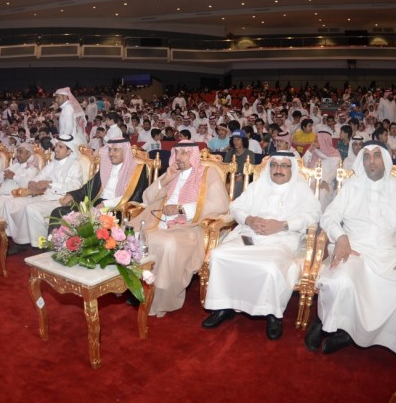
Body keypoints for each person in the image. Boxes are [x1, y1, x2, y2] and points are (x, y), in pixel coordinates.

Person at [306, 141, 396, 355]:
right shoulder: (351, 187)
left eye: (376, 155)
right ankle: (322, 321)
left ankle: (350, 333)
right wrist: (341, 237)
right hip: (354, 250)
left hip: (388, 255)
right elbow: (329, 216)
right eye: (367, 156)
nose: (371, 161)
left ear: (386, 160)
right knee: (340, 280)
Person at [202, 152, 321, 340]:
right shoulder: (258, 185)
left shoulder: (301, 189)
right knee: (220, 255)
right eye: (274, 165)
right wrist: (249, 219)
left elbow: (313, 216)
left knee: (271, 267)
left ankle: (273, 314)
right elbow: (235, 207)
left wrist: (283, 225)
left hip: (281, 238)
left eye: (284, 165)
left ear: (292, 169)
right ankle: (224, 306)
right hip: (250, 235)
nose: (278, 169)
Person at [136, 141, 229, 317]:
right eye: (177, 152)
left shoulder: (207, 173)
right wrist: (166, 179)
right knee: (135, 234)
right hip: (159, 220)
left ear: (193, 155)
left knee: (167, 243)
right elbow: (147, 198)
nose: (179, 157)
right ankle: (139, 289)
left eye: (184, 153)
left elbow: (220, 204)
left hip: (190, 225)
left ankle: (161, 296)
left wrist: (181, 209)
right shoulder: (173, 172)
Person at [0, 135, 83, 246]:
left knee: (31, 209)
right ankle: (18, 240)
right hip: (45, 197)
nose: (56, 149)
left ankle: (41, 244)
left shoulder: (75, 165)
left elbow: (76, 186)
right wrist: (33, 182)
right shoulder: (53, 164)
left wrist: (51, 184)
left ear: (69, 151)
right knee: (10, 203)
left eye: (60, 147)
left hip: (60, 201)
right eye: (56, 146)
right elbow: (40, 176)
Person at [49, 138, 149, 226]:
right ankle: (56, 242)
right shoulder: (107, 167)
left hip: (117, 210)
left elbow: (135, 196)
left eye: (115, 150)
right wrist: (72, 195)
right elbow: (89, 187)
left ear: (125, 152)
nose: (111, 154)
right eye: (109, 150)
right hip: (95, 205)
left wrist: (106, 204)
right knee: (58, 212)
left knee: (87, 222)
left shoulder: (138, 170)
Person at [223, 129, 256, 199]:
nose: (235, 142)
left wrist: (241, 176)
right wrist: (231, 176)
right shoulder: (230, 153)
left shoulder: (250, 154)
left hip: (244, 179)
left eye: (238, 139)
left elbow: (251, 172)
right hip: (231, 178)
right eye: (234, 140)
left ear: (243, 141)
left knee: (238, 184)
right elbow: (225, 169)